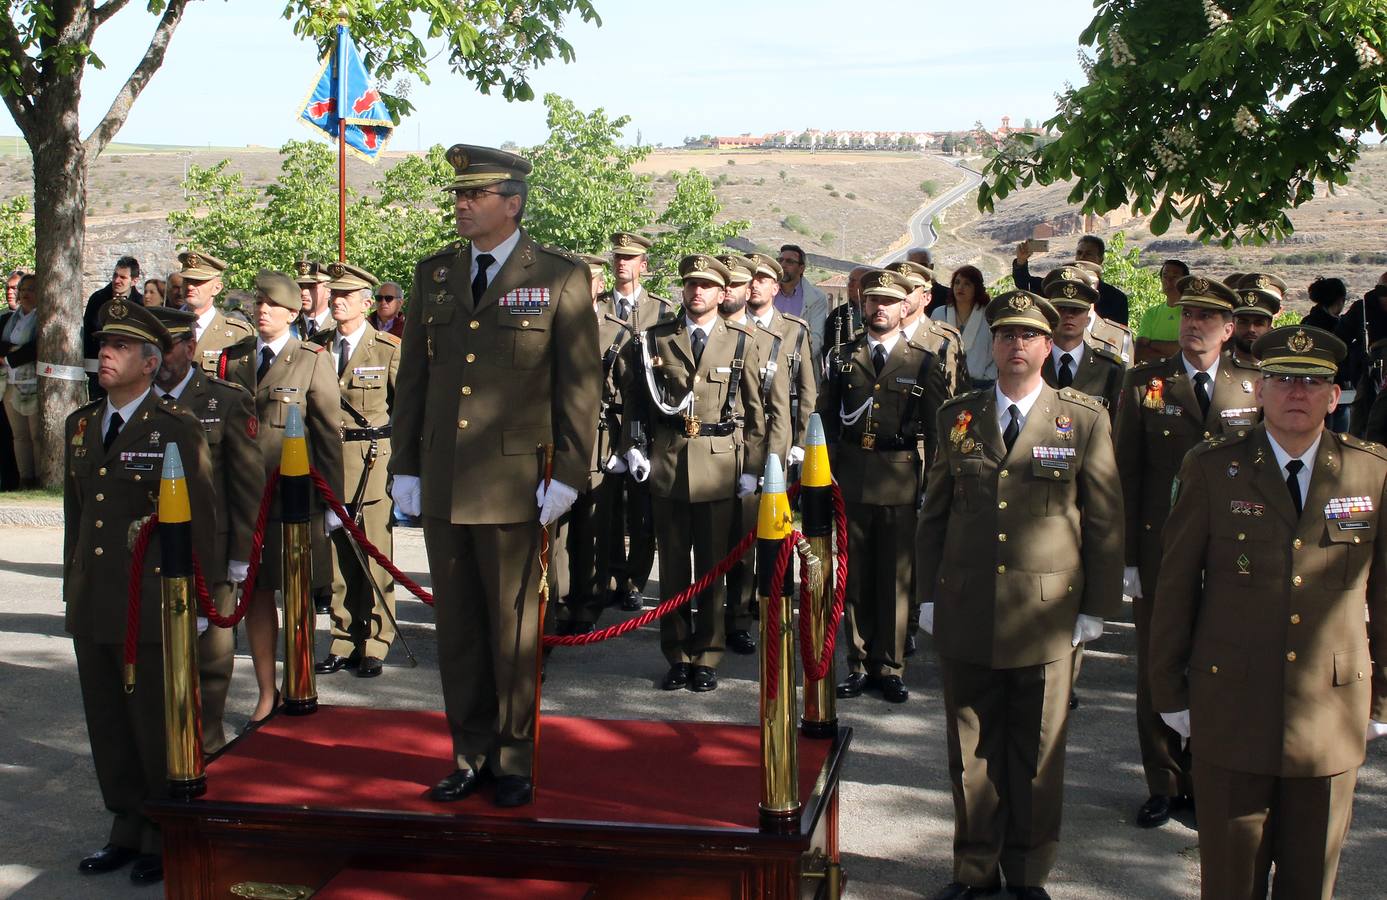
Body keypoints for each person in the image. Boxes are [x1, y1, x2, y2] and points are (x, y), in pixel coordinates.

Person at [388, 144, 600, 809]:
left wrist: (569, 471)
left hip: (515, 485)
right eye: (458, 194)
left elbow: (579, 386)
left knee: (512, 635)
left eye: (474, 195)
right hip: (447, 482)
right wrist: (405, 466)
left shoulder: (560, 277)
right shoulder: (437, 275)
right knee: (457, 631)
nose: (460, 203)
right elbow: (414, 381)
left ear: (511, 203)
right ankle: (468, 753)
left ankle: (512, 759)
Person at [1150, 325, 1387, 900]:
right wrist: (1171, 694)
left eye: (1313, 382)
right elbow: (1176, 588)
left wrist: (1381, 701)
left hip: (1330, 713)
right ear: (1260, 389)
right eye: (1283, 379)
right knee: (1230, 882)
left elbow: (1383, 596)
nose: (1297, 392)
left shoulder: (1372, 472)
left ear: (1336, 396)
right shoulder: (1212, 467)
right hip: (1231, 707)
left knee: (1311, 885)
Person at [917, 290, 1122, 900]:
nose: (1016, 345)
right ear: (993, 342)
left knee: (1036, 754)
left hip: (1046, 616)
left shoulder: (1083, 417)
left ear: (1047, 343)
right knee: (970, 751)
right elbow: (933, 513)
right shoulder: (959, 415)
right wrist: (926, 596)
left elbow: (1105, 519)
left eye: (1029, 335)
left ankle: (1028, 874)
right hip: (968, 607)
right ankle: (974, 870)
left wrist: (1096, 607)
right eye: (1005, 334)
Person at [65, 299, 215, 887]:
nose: (105, 353)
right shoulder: (81, 424)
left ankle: (163, 830)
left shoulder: (174, 427)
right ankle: (124, 825)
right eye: (104, 344)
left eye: (121, 347)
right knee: (107, 719)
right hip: (96, 598)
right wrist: (72, 585)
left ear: (151, 363)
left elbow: (199, 517)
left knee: (154, 720)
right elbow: (78, 517)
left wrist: (199, 598)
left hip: (152, 601)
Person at [1113, 274, 1262, 830]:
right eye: (1187, 315)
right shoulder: (1144, 382)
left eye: (1206, 318)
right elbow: (1125, 472)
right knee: (1159, 665)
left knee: (1219, 663)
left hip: (1232, 549)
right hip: (1161, 547)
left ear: (1228, 329)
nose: (1193, 325)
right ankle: (1163, 782)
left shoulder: (1254, 385)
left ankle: (1207, 780)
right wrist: (1127, 557)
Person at [619, 254, 766, 694]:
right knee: (674, 571)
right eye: (690, 284)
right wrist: (634, 446)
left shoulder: (741, 341)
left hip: (720, 465)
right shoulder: (657, 339)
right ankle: (677, 655)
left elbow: (756, 416)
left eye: (705, 285)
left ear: (723, 294)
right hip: (668, 460)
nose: (696, 292)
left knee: (711, 571)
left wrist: (752, 469)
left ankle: (707, 656)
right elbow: (636, 402)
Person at [823, 268, 963, 704]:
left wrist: (935, 484)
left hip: (901, 473)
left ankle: (890, 665)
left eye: (889, 301)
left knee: (896, 577)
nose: (879, 308)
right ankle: (858, 662)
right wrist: (820, 474)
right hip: (850, 473)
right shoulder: (842, 356)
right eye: (872, 301)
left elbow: (939, 429)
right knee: (855, 576)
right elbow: (824, 421)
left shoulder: (923, 359)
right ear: (863, 305)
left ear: (906, 306)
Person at [219, 270, 344, 724]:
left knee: (296, 595)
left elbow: (327, 434)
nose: (262, 309)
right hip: (244, 500)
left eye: (273, 305)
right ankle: (266, 692)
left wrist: (334, 500)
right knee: (254, 596)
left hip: (292, 500)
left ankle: (299, 681)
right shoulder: (233, 358)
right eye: (259, 302)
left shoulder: (311, 359)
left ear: (293, 313)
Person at [148, 306, 262, 753]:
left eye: (167, 347)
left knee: (212, 659)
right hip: (152, 550)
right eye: (151, 348)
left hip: (210, 553)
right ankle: (166, 745)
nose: (159, 357)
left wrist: (240, 553)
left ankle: (209, 742)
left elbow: (247, 483)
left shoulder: (226, 400)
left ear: (189, 347)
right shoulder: (138, 400)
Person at [311, 262, 401, 679]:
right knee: (336, 559)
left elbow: (405, 411)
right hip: (329, 463)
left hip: (371, 466)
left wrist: (402, 467)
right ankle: (344, 637)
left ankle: (377, 641)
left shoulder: (386, 349)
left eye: (345, 296)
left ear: (366, 304)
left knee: (375, 556)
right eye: (334, 295)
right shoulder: (316, 346)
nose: (336, 301)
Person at [716, 253, 792, 656]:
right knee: (712, 545)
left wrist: (770, 465)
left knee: (745, 545)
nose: (728, 289)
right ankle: (710, 617)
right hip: (709, 455)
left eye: (736, 282)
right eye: (724, 281)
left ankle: (738, 620)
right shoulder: (707, 332)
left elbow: (778, 410)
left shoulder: (765, 341)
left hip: (750, 452)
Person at [597, 231, 671, 613]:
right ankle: (611, 575)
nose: (621, 263)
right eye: (617, 257)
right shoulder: (598, 308)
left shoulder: (661, 311)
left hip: (648, 421)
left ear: (644, 265)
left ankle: (635, 580)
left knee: (643, 509)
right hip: (609, 418)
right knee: (607, 505)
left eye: (630, 258)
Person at [1039, 266, 1124, 416]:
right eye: (1062, 309)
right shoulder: (1034, 362)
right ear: (1050, 314)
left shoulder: (1109, 369)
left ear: (1087, 317)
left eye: (1076, 310)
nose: (1068, 316)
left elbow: (1117, 425)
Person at [1013, 234, 1129, 325]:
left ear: (1100, 259)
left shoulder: (1116, 299)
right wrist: (1021, 261)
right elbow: (1024, 283)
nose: (1082, 257)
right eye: (1079, 253)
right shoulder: (1059, 287)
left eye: (1088, 253)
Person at [177, 250, 254, 376]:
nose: (190, 287)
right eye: (187, 280)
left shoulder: (239, 334)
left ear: (217, 288)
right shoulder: (163, 326)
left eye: (198, 282)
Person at [81, 255, 142, 399]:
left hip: (127, 374)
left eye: (123, 277)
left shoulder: (140, 304)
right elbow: (88, 332)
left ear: (134, 281)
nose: (116, 281)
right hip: (97, 373)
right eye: (115, 275)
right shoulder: (97, 299)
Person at [1, 272, 40, 486]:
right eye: (22, 290)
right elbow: (3, 344)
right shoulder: (10, 319)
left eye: (31, 290)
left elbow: (36, 348)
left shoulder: (42, 317)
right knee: (20, 436)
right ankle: (25, 479)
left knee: (36, 436)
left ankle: (39, 477)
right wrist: (14, 352)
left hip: (33, 384)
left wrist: (10, 355)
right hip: (12, 382)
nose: (25, 294)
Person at [933, 264, 994, 388]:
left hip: (980, 385)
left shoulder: (989, 317)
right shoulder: (939, 313)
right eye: (957, 282)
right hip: (942, 384)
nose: (960, 287)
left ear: (976, 288)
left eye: (967, 284)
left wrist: (987, 378)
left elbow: (997, 352)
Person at [775, 244, 828, 369]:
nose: (783, 265)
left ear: (801, 268)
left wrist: (791, 362)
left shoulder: (816, 298)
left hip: (799, 367)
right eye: (780, 260)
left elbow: (816, 339)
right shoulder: (768, 293)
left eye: (789, 262)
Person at [1134, 259, 1189, 363]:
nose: (1168, 280)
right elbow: (1139, 352)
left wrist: (1153, 344)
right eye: (1165, 275)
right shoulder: (1151, 313)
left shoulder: (1191, 314)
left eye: (1175, 277)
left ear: (1184, 281)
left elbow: (1189, 350)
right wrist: (1173, 355)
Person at [1229, 273, 1285, 364]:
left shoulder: (1278, 373)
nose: (1251, 329)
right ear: (1232, 326)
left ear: (1269, 328)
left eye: (1259, 323)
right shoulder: (1215, 369)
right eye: (1243, 322)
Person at [824, 265, 868, 367]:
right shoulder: (838, 314)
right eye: (849, 281)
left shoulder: (877, 314)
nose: (850, 285)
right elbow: (827, 347)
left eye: (853, 281)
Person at [292, 255, 334, 340]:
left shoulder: (337, 327)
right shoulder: (289, 327)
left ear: (328, 290)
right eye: (300, 286)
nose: (303, 292)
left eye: (311, 286)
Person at [907, 246, 952, 315]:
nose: (917, 269)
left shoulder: (949, 296)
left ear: (931, 267)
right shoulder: (903, 296)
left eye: (922, 265)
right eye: (912, 266)